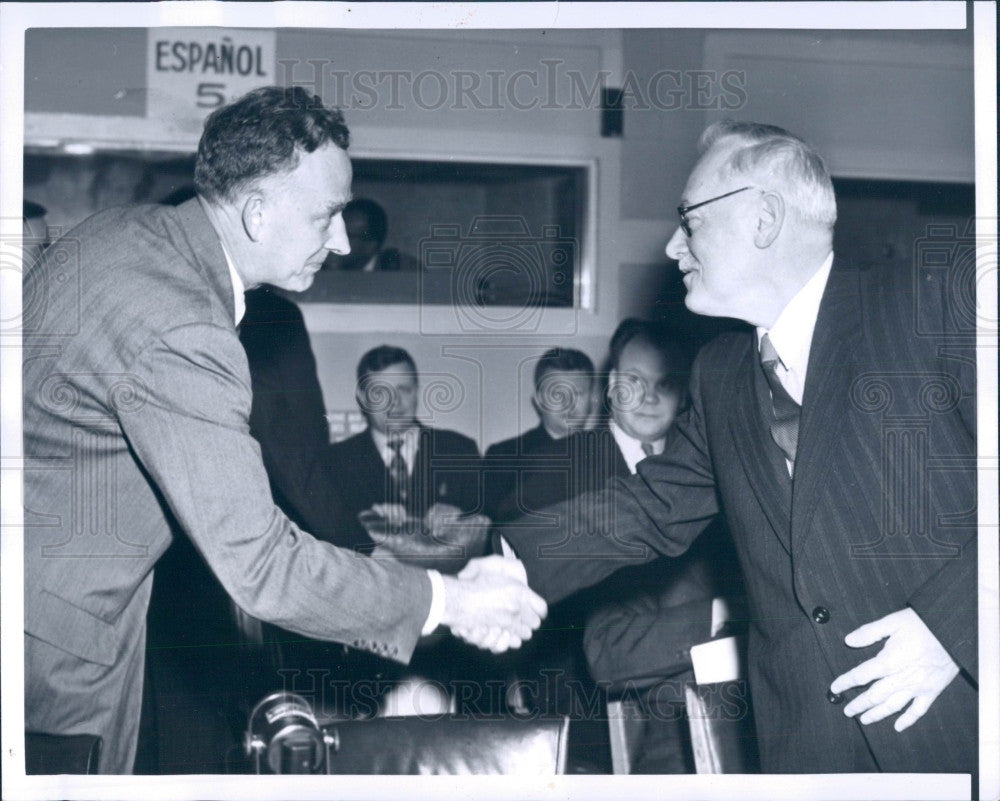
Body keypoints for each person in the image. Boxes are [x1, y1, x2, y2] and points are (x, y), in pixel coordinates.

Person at [22, 85, 545, 774]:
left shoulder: (122, 233)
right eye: (327, 215)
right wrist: (447, 598)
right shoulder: (185, 325)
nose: (341, 240)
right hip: (56, 643)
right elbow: (262, 565)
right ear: (258, 211)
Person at [502, 121, 977, 775]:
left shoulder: (929, 301)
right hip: (807, 749)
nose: (672, 246)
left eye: (689, 221)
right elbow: (649, 508)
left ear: (764, 218)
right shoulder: (720, 373)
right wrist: (497, 561)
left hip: (962, 726)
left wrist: (952, 629)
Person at [483, 347, 595, 522]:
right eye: (558, 394)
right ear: (539, 399)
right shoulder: (503, 457)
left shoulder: (611, 455)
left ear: (592, 399)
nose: (569, 404)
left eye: (578, 393)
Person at [326, 198, 420, 271]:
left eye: (348, 236)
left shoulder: (404, 270)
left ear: (370, 246)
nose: (334, 242)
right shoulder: (318, 266)